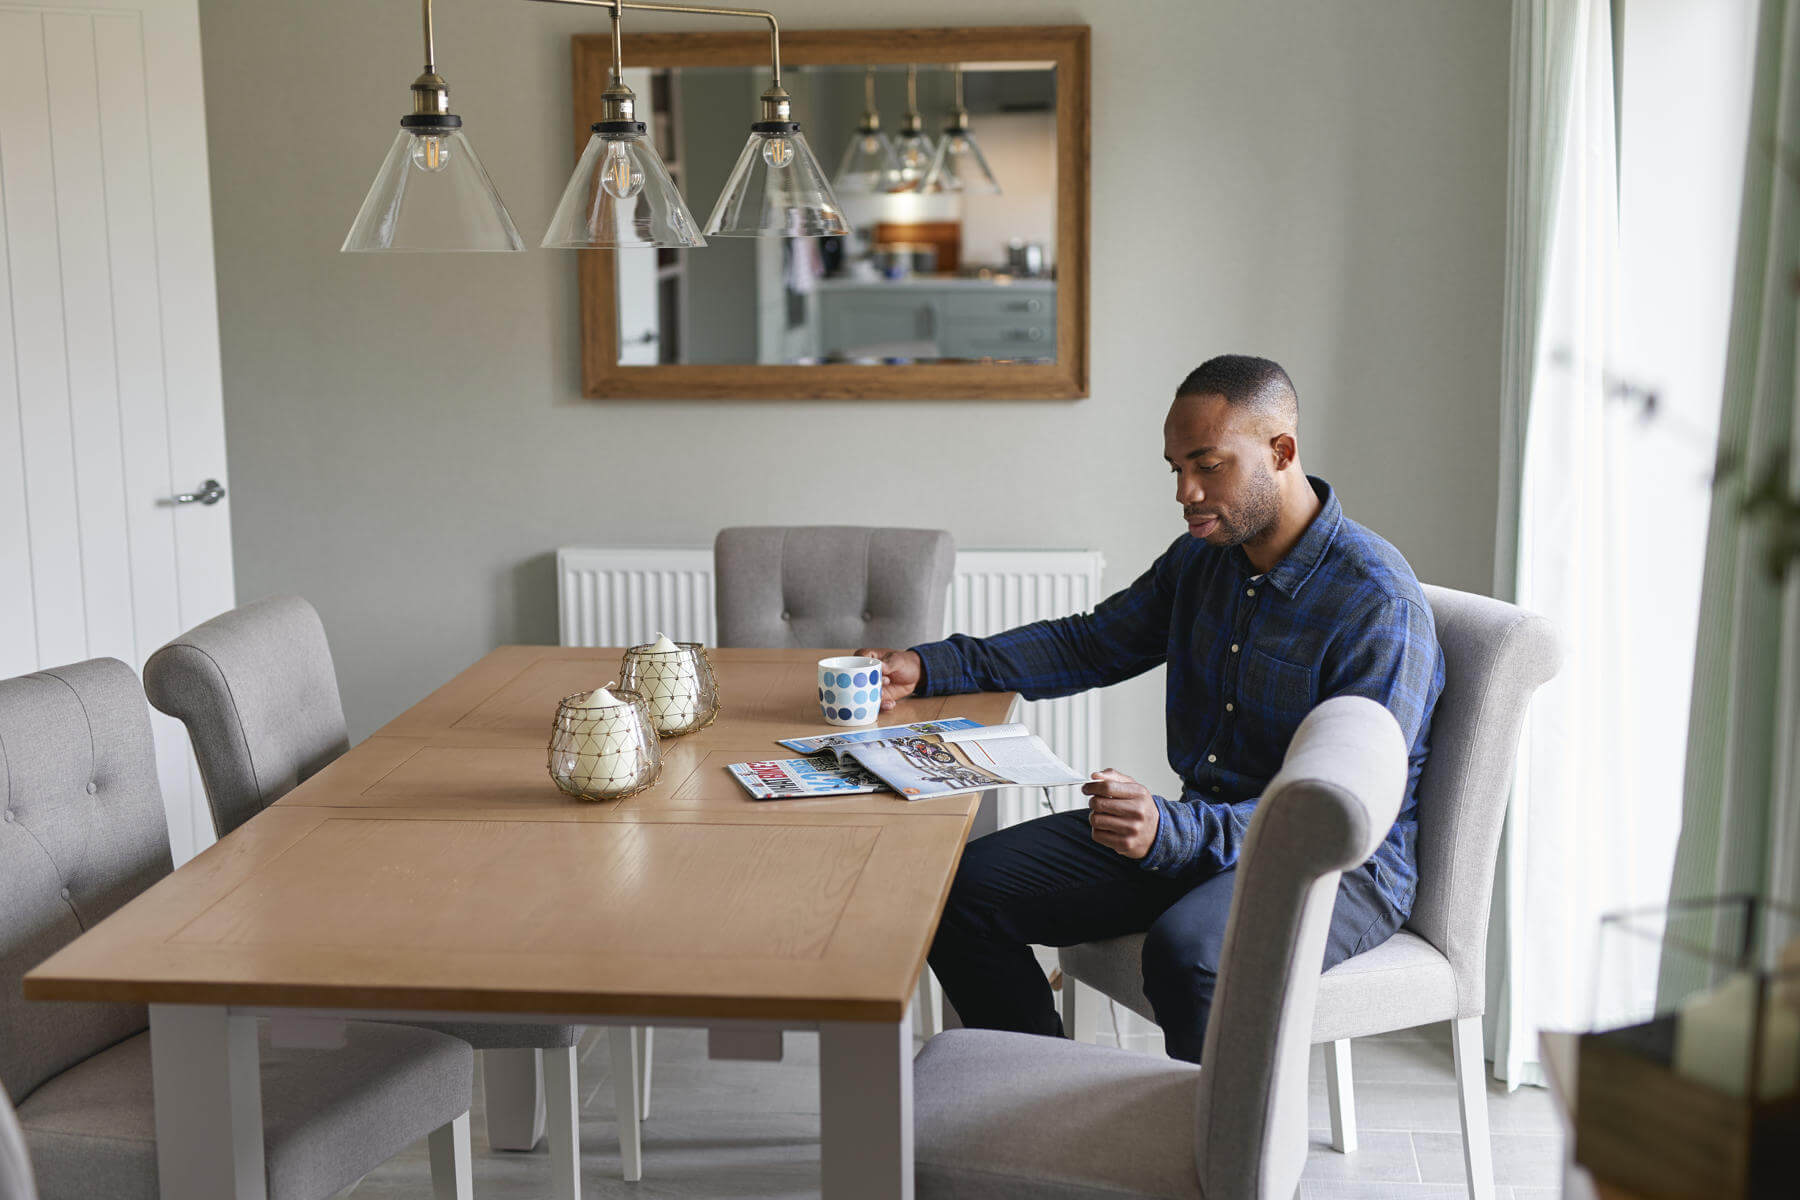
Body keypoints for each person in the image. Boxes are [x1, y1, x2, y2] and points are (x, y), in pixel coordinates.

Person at [857, 354, 1445, 1064]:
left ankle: (1211, 1160)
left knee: (1188, 954)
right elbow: (1090, 644)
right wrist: (933, 665)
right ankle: (1041, 1105)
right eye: (1175, 468)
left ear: (1280, 452)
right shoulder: (1204, 561)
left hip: (1337, 865)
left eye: (1207, 464)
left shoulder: (1375, 603)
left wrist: (1172, 830)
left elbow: (1348, 809)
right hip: (1204, 833)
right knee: (959, 895)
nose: (1185, 491)